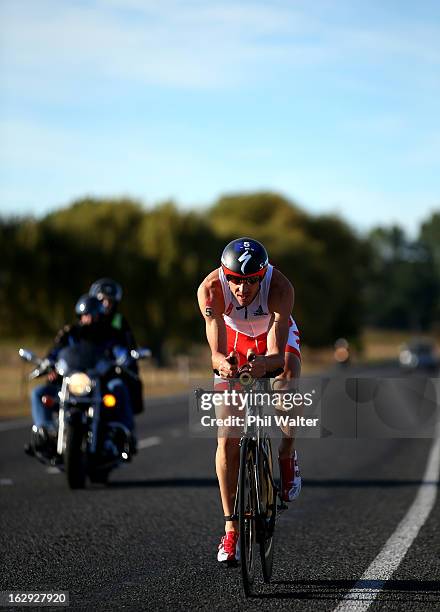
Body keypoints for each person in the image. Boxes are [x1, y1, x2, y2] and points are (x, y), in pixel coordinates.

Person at [197, 237, 302, 563]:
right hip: (235, 341)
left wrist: (267, 365)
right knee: (227, 438)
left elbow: (275, 353)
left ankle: (286, 455)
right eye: (236, 281)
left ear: (263, 274)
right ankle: (230, 531)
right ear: (225, 275)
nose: (242, 289)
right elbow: (215, 351)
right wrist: (223, 364)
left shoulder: (280, 288)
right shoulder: (212, 289)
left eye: (251, 281)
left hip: (273, 338)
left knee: (285, 386)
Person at [30, 295, 134, 454]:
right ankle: (45, 432)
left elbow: (119, 351)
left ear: (99, 316)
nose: (89, 319)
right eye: (85, 315)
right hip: (70, 382)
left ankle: (124, 434)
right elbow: (55, 353)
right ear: (80, 316)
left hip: (100, 382)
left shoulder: (108, 335)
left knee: (119, 387)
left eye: (93, 315)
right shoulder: (70, 333)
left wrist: (124, 359)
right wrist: (49, 366)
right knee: (38, 393)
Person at [89, 278, 143, 415]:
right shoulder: (87, 319)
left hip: (110, 372)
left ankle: (125, 429)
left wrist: (126, 357)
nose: (106, 304)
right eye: (102, 300)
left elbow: (129, 346)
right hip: (86, 374)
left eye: (110, 301)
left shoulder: (119, 321)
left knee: (118, 388)